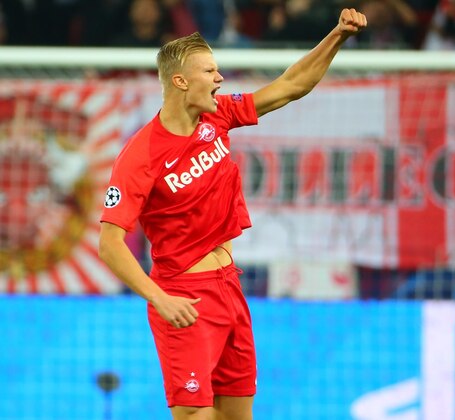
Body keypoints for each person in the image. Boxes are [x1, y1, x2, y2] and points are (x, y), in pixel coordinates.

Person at [98, 7, 367, 420]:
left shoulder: (217, 115)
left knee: (239, 415)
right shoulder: (141, 155)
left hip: (229, 287)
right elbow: (110, 244)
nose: (220, 78)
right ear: (181, 80)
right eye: (210, 71)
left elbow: (290, 86)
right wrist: (159, 298)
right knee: (195, 415)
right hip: (183, 296)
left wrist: (338, 36)